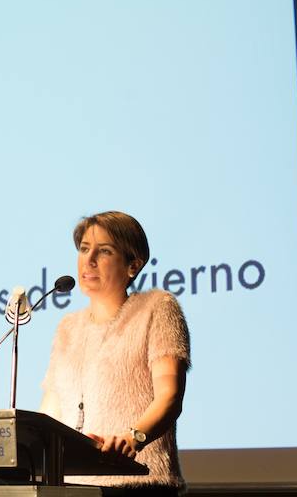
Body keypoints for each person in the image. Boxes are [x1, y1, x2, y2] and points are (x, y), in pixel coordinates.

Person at [40, 211, 191, 495]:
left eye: (104, 251)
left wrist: (133, 438)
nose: (89, 259)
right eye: (85, 249)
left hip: (138, 483)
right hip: (73, 486)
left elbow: (170, 396)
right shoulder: (67, 328)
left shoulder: (157, 308)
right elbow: (50, 413)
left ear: (132, 265)